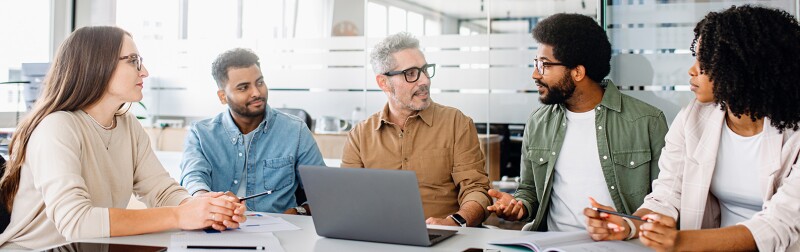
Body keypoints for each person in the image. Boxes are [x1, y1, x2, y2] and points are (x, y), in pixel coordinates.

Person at [0, 26, 245, 250]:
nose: (145, 72)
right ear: (97, 65)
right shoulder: (56, 127)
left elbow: (160, 191)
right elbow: (75, 222)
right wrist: (180, 215)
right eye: (133, 61)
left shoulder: (128, 126)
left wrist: (204, 207)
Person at [584, 5, 800, 251]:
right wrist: (629, 225)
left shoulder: (795, 134)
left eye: (706, 61)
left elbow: (783, 225)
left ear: (745, 67)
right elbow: (668, 194)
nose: (692, 70)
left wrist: (681, 242)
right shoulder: (693, 118)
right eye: (695, 57)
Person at [487, 13, 668, 232]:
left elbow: (664, 200)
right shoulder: (538, 122)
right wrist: (520, 206)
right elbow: (529, 190)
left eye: (545, 65)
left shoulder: (647, 121)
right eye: (536, 63)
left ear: (578, 72)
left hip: (621, 245)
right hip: (552, 244)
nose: (535, 74)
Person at [340, 32, 491, 227]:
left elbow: (476, 189)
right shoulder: (360, 136)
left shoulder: (456, 123)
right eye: (411, 73)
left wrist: (456, 221)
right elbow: (347, 198)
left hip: (445, 240)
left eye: (425, 70)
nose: (425, 81)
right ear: (383, 82)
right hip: (380, 239)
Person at [180, 48, 324, 215]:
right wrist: (207, 201)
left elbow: (323, 191)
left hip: (280, 230)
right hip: (218, 227)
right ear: (222, 96)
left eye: (260, 83)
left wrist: (299, 211)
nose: (256, 92)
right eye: (243, 88)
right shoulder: (200, 134)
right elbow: (193, 180)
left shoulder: (295, 130)